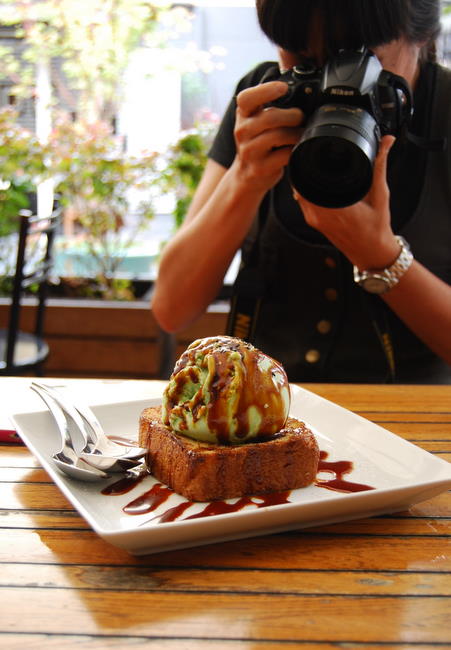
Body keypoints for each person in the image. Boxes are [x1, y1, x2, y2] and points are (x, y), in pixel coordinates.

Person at [152, 0, 451, 383]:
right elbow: (172, 309)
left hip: (412, 420)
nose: (333, 80)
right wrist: (245, 178)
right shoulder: (265, 98)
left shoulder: (443, 110)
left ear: (420, 35)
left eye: (360, 58)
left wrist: (380, 257)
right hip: (269, 412)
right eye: (302, 57)